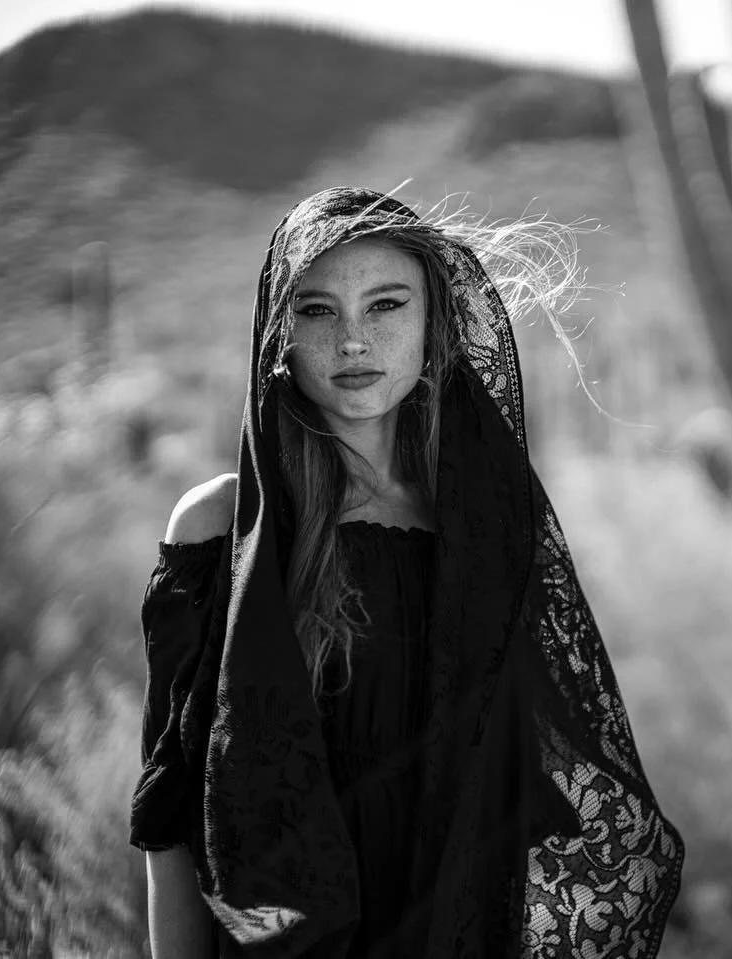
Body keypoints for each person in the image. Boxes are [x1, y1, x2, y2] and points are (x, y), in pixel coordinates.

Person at [129, 186, 685, 958]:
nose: (352, 340)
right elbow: (171, 821)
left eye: (385, 305)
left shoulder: (489, 529)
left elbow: (534, 793)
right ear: (278, 336)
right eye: (317, 310)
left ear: (434, 326)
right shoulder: (221, 529)